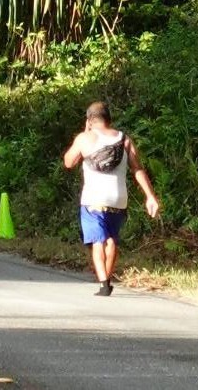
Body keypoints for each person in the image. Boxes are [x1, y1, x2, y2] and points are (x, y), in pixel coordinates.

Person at [62, 99, 160, 296]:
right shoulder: (124, 139)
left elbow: (68, 162)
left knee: (98, 241)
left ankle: (104, 283)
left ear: (89, 120)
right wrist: (150, 196)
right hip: (118, 198)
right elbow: (137, 169)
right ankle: (107, 278)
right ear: (109, 119)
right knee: (111, 239)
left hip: (93, 199)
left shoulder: (84, 138)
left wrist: (85, 133)